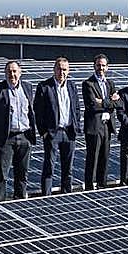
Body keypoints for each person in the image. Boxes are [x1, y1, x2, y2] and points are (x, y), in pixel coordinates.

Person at [0, 60, 36, 201]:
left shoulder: (28, 88)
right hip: (5, 139)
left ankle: (20, 200)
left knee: (22, 174)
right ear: (5, 73)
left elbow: (32, 111)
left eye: (15, 71)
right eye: (9, 71)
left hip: (24, 137)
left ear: (20, 72)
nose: (12, 74)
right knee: (1, 175)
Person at [33, 56, 83, 194]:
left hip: (69, 132)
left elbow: (76, 108)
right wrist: (43, 132)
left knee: (68, 168)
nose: (62, 72)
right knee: (49, 166)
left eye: (65, 69)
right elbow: (38, 111)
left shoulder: (72, 86)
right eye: (59, 69)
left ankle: (66, 194)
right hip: (52, 133)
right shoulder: (44, 86)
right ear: (54, 70)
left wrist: (76, 125)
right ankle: (46, 195)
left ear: (69, 71)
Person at [81, 54, 122, 190]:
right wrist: (109, 102)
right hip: (94, 127)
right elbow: (92, 105)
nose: (101, 68)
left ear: (107, 67)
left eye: (103, 65)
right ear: (94, 66)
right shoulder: (88, 84)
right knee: (93, 158)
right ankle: (89, 187)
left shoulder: (110, 83)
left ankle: (102, 185)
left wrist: (103, 102)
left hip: (107, 126)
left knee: (105, 158)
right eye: (98, 65)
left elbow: (118, 103)